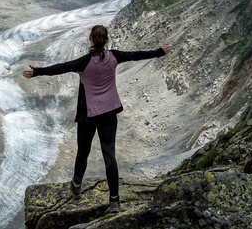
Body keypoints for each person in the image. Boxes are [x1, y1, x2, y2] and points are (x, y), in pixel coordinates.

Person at [22, 24, 171, 213]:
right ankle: (114, 201)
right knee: (110, 156)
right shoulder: (114, 56)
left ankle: (76, 186)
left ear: (90, 39)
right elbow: (136, 55)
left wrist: (37, 71)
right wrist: (159, 52)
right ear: (107, 40)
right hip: (109, 112)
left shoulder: (84, 62)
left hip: (89, 115)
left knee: (83, 151)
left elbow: (62, 68)